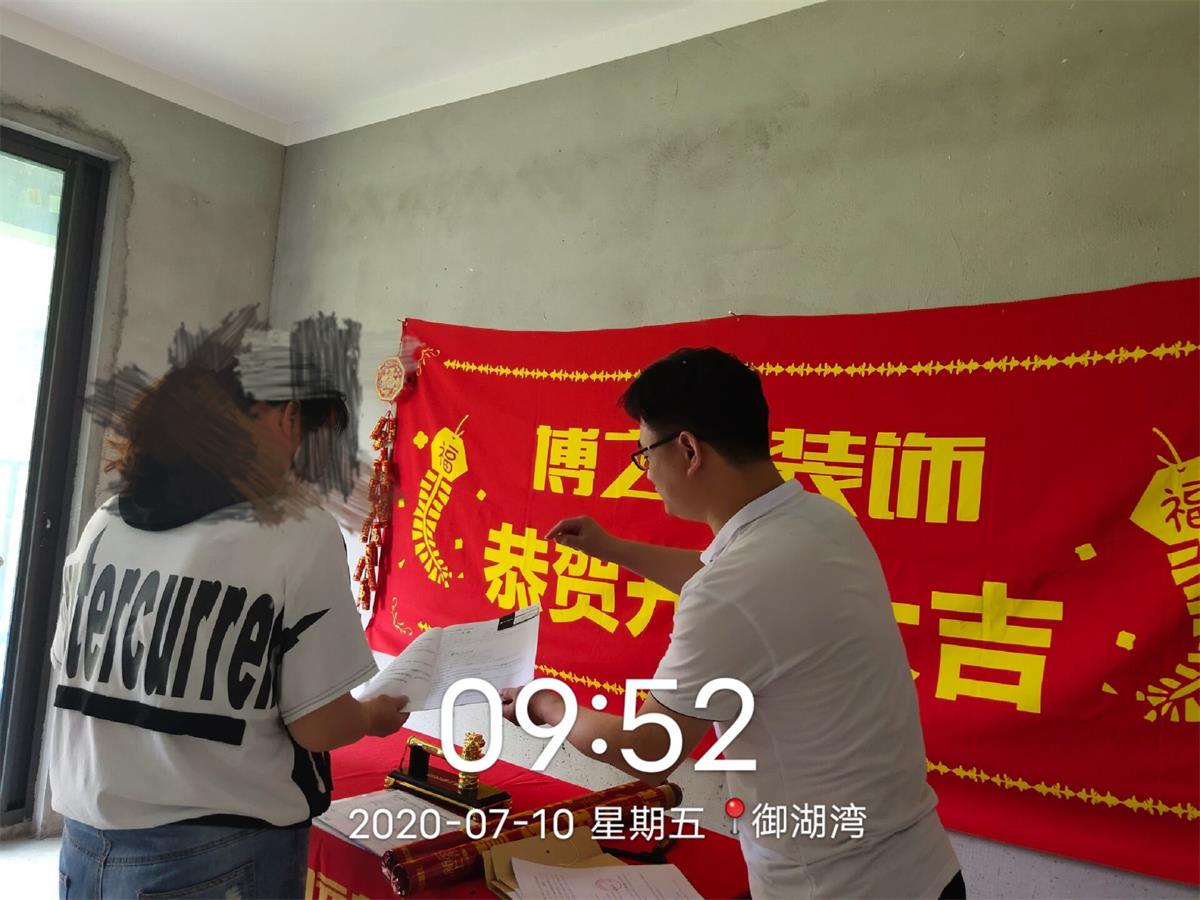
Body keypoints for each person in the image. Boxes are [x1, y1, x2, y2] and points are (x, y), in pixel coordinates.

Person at [501, 347, 964, 899]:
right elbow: (731, 588)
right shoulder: (821, 521)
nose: (645, 472)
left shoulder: (734, 587)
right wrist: (611, 548)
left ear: (688, 450)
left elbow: (651, 749)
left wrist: (549, 707)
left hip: (834, 886)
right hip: (923, 869)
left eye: (644, 453)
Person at [48, 349, 409, 899]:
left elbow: (77, 668)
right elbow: (319, 725)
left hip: (85, 849)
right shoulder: (298, 528)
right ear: (287, 416)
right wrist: (373, 715)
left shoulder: (109, 519)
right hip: (217, 856)